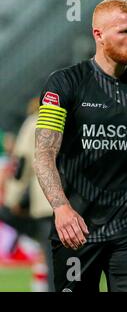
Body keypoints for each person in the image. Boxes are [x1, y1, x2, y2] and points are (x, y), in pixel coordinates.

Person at [34, 0, 127, 292]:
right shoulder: (64, 84)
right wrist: (61, 209)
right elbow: (44, 154)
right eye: (124, 31)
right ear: (99, 35)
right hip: (77, 229)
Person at [3, 97, 54, 291]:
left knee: (54, 261)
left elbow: (22, 163)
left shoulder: (36, 121)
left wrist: (12, 199)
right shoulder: (80, 118)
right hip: (79, 203)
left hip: (46, 204)